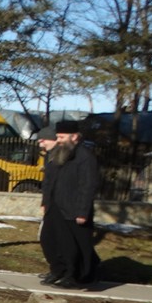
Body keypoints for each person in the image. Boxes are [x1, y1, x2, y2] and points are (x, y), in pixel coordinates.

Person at [40, 119, 101, 289]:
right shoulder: (58, 154)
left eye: (62, 137)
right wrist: (46, 201)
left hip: (74, 209)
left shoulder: (85, 157)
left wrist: (82, 212)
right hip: (55, 207)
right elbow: (49, 181)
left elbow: (88, 186)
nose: (58, 140)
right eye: (57, 137)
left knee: (74, 246)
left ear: (74, 137)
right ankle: (58, 270)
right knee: (49, 240)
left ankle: (76, 277)